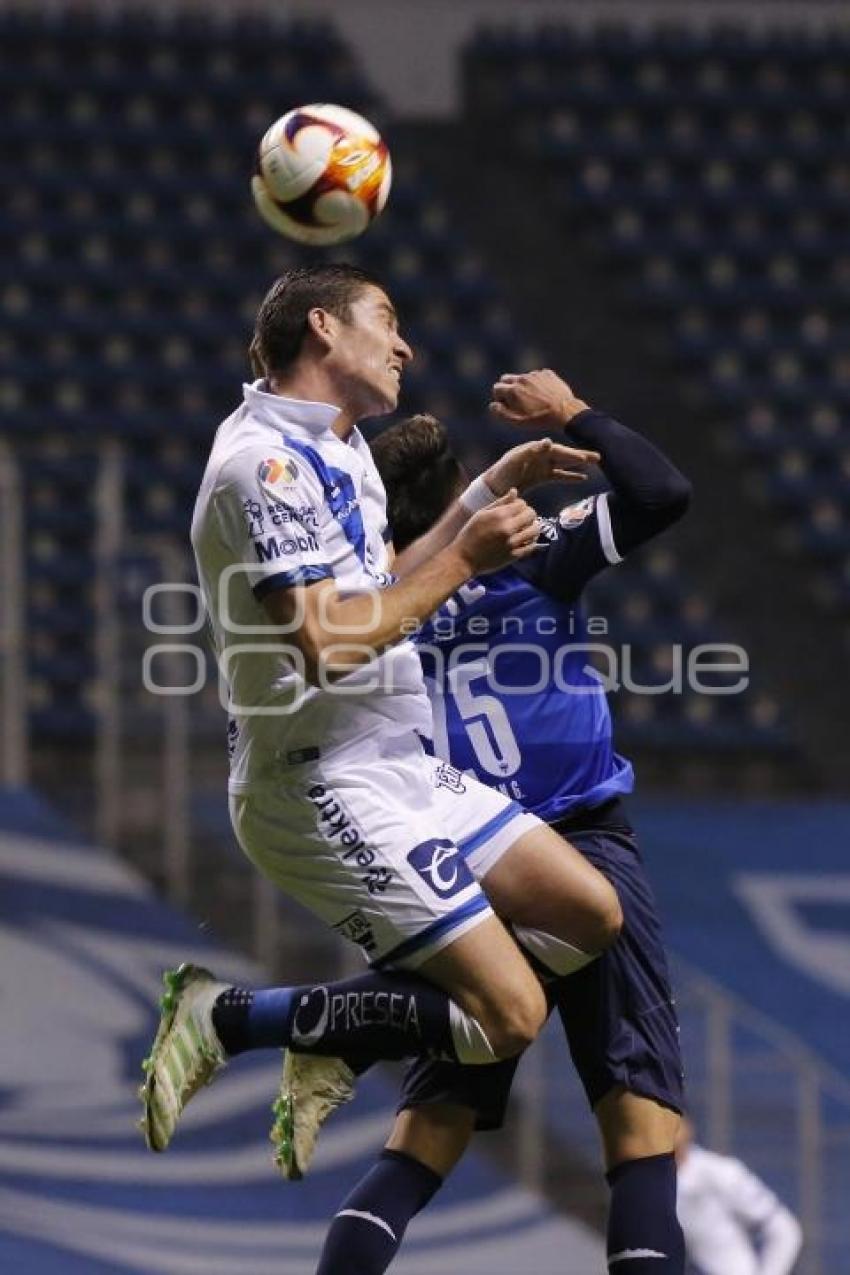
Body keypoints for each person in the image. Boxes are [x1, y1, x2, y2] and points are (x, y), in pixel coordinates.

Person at [138, 266, 624, 1163]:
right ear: (323, 328)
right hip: (314, 782)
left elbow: (382, 588)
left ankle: (348, 1025)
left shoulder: (342, 441)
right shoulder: (263, 465)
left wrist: (482, 495)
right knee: (511, 1015)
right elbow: (326, 640)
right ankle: (234, 1016)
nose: (405, 344)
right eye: (387, 322)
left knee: (592, 913)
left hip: (394, 756)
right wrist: (469, 558)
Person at [308, 369, 692, 1275]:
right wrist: (572, 412)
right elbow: (661, 490)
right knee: (641, 1138)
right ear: (461, 494)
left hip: (466, 866)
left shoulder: (380, 608)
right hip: (580, 846)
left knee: (419, 1144)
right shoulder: (531, 555)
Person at [675, 1118, 803, 1275]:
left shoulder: (720, 1172)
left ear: (687, 1127)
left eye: (672, 1123)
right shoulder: (641, 1183)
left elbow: (784, 1229)